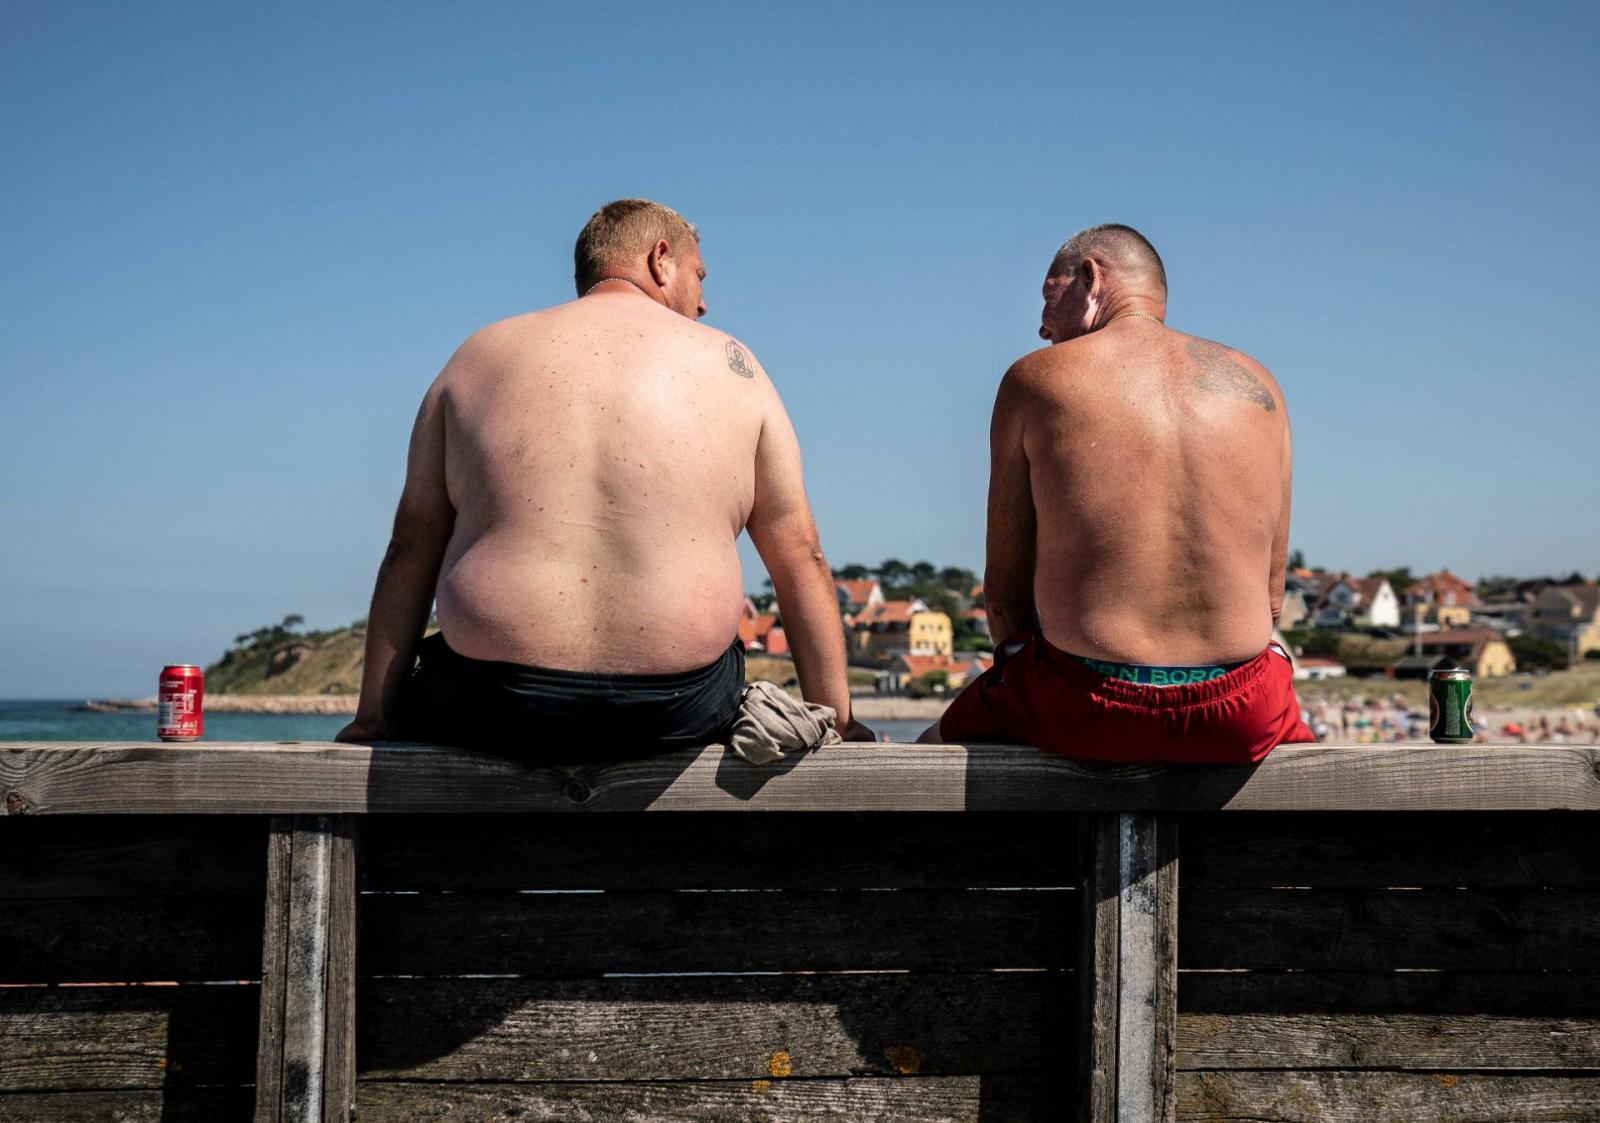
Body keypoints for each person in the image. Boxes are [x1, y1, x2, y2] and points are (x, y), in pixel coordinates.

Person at [337, 198, 871, 757]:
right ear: (660, 259)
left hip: (493, 702)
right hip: (676, 707)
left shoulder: (476, 357)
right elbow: (798, 553)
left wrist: (372, 718)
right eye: (699, 276)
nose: (705, 302)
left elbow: (410, 546)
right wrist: (838, 719)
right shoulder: (735, 366)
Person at [927, 224, 1313, 762]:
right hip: (1242, 709)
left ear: (1091, 277)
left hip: (1084, 704)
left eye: (1048, 294)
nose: (1042, 326)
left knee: (925, 757)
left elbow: (1005, 595)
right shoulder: (1258, 384)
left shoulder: (1034, 379)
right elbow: (1273, 598)